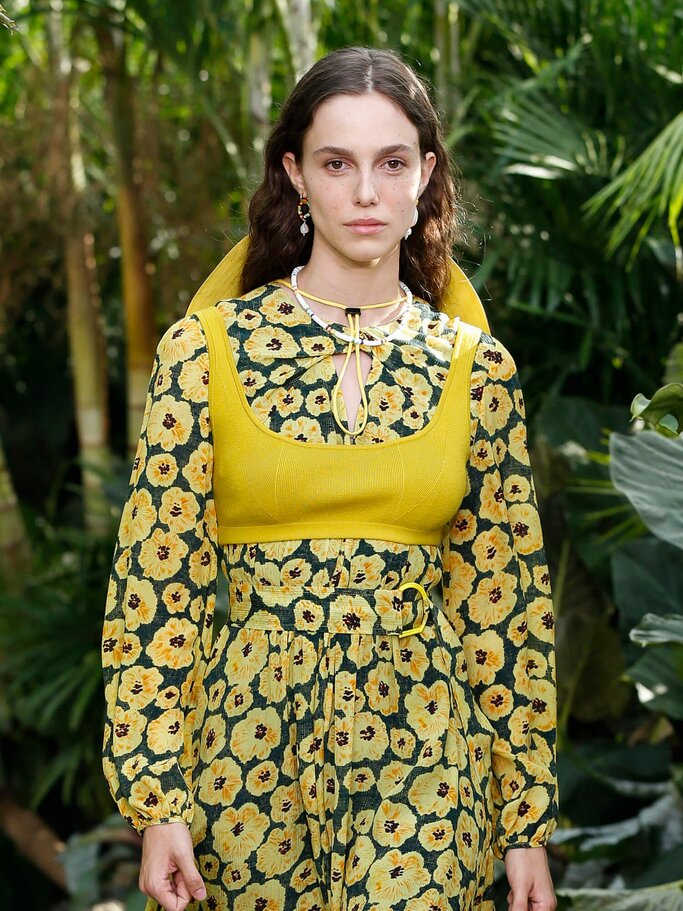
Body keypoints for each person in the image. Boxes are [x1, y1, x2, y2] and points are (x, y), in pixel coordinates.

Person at [101, 45, 558, 911]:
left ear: (424, 175)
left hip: (427, 755)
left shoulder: (477, 369)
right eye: (335, 163)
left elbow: (503, 605)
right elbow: (158, 587)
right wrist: (156, 801)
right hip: (244, 757)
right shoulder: (203, 353)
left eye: (390, 164)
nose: (365, 192)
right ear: (294, 175)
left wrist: (524, 821)